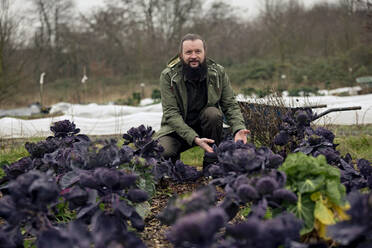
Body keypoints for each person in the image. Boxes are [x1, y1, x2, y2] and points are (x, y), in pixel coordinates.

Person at [155, 33, 250, 170]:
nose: (193, 56)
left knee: (213, 113)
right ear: (181, 55)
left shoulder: (218, 72)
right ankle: (175, 167)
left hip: (207, 128)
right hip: (177, 130)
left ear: (205, 53)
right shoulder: (168, 76)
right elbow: (171, 114)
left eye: (198, 51)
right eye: (188, 52)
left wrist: (238, 128)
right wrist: (194, 138)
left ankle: (212, 162)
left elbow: (230, 104)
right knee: (164, 151)